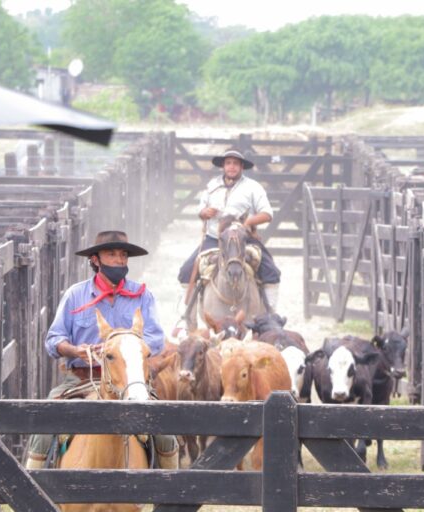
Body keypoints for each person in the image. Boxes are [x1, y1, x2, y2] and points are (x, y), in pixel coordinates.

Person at [25, 230, 178, 470]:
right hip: (81, 380)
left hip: (131, 382)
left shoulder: (142, 295)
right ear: (95, 260)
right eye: (112, 254)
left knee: (166, 434)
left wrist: (126, 344)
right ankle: (30, 492)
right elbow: (54, 339)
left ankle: (171, 497)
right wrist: (76, 350)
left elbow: (156, 338)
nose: (119, 260)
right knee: (44, 427)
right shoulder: (76, 295)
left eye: (123, 255)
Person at [177, 149, 281, 311]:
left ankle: (270, 314)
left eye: (235, 164)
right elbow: (201, 210)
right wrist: (205, 213)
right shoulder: (212, 186)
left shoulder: (253, 187)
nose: (231, 167)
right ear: (223, 166)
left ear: (241, 167)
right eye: (228, 163)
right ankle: (186, 318)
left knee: (271, 272)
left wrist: (248, 222)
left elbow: (267, 214)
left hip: (244, 239)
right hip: (214, 238)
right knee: (186, 271)